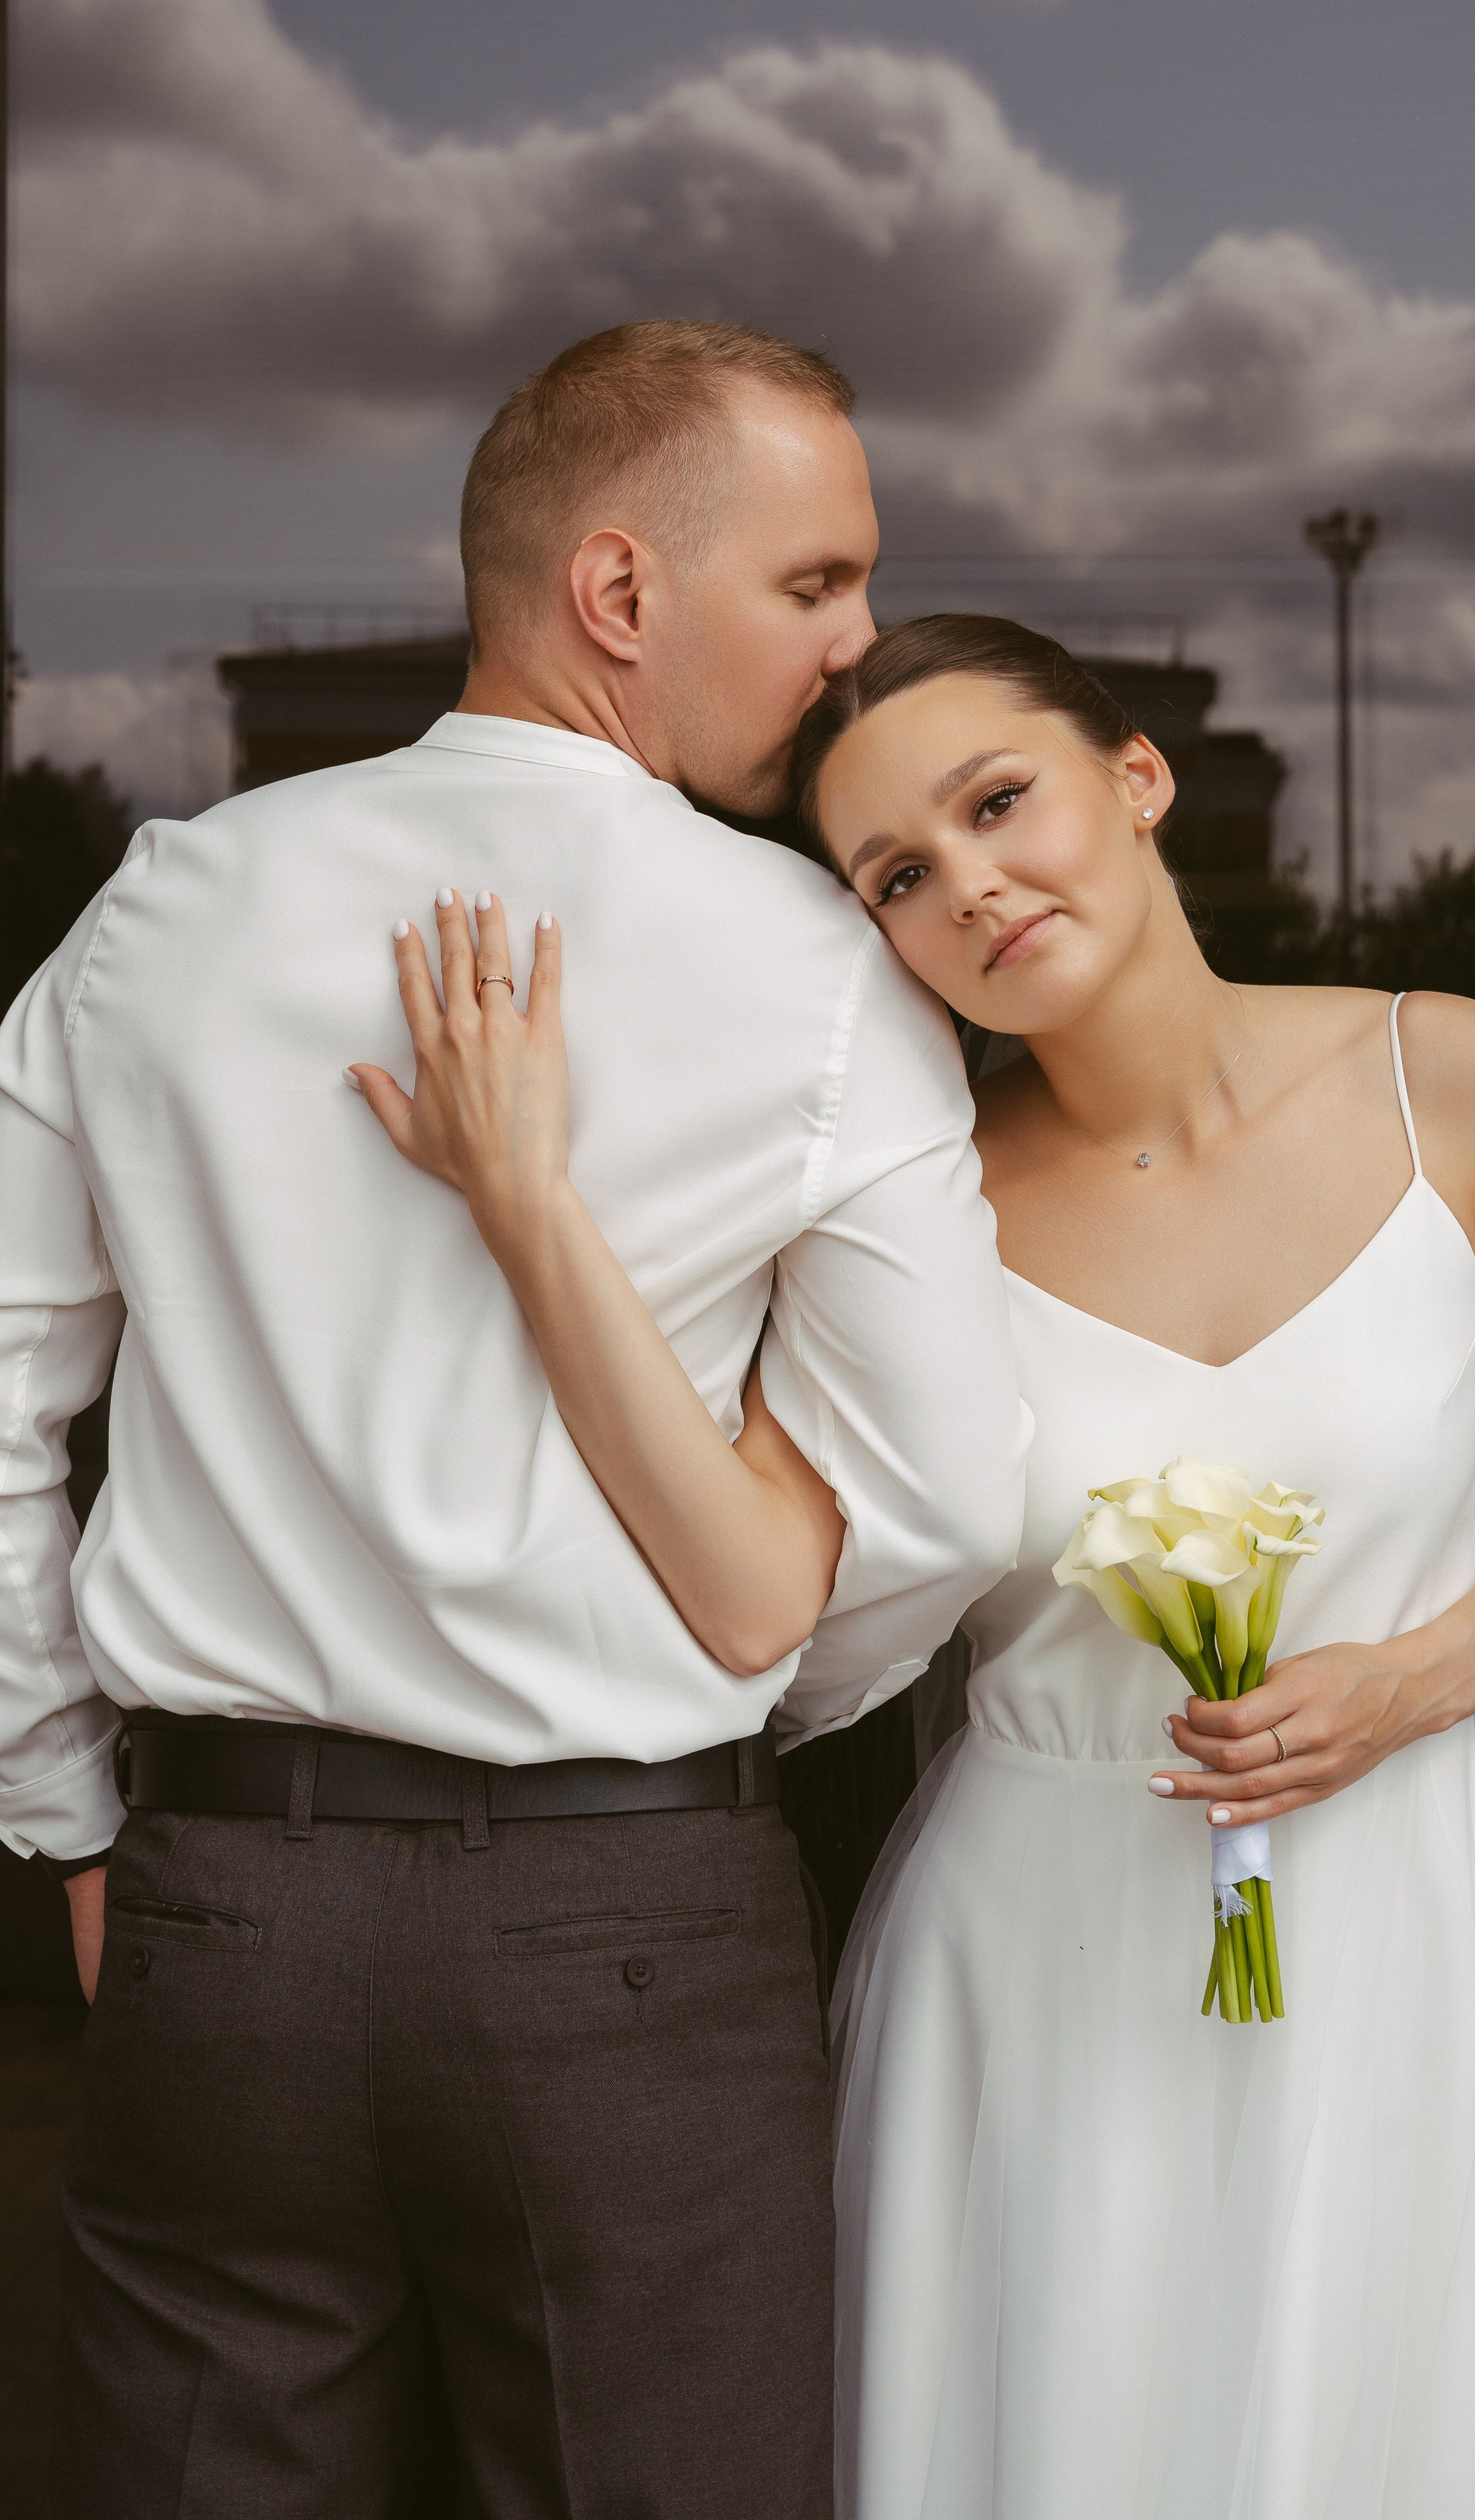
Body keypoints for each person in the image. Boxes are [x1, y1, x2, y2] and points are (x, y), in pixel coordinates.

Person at [0, 329, 1027, 2519]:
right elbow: (936, 1507)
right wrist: (736, 1702)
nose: (855, 651)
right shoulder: (826, 964)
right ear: (623, 594)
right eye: (820, 582)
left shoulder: (159, 913)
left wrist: (73, 1819)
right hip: (635, 1928)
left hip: (223, 1922)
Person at [785, 615, 1475, 2519]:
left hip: (1394, 1910)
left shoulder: (1450, 1072)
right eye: (899, 877)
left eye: (998, 800)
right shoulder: (907, 1212)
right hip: (1037, 1946)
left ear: (1139, 776)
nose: (973, 890)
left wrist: (1409, 1683)